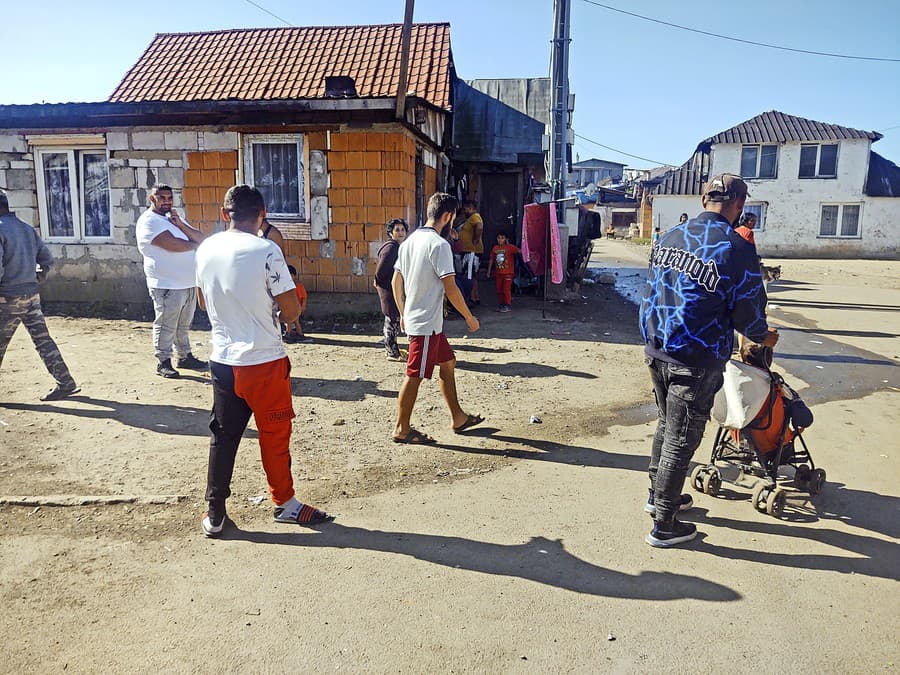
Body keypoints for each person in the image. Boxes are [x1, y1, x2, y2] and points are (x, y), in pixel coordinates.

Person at [640, 173, 779, 548]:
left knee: (667, 425)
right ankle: (664, 524)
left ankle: (658, 496)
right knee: (682, 439)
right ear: (739, 204)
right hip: (696, 357)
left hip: (657, 347)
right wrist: (764, 336)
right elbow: (749, 316)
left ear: (704, 200)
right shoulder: (735, 248)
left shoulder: (670, 235)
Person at [195, 185, 333, 537]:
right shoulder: (266, 250)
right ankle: (285, 503)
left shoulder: (206, 248)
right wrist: (276, 311)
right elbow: (291, 310)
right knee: (274, 436)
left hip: (222, 360)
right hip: (264, 361)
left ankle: (215, 512)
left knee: (223, 437)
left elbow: (201, 303)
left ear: (225, 213)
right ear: (263, 214)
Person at [391, 192, 483, 444]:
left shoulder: (410, 241)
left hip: (422, 321)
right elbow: (451, 287)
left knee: (448, 362)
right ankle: (402, 428)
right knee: (414, 374)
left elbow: (395, 280)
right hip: (426, 325)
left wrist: (402, 313)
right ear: (448, 216)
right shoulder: (439, 245)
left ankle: (458, 417)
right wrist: (469, 317)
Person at [0, 190, 79, 401]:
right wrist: (34, 280)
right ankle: (66, 383)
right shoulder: (26, 228)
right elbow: (47, 260)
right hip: (31, 296)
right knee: (43, 340)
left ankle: (66, 384)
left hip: (7, 298)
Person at [136, 184, 208, 379]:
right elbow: (171, 244)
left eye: (169, 198)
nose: (166, 201)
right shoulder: (149, 221)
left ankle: (184, 356)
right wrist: (195, 245)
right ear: (152, 199)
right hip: (166, 283)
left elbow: (201, 237)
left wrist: (180, 225)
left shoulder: (173, 218)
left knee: (183, 323)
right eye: (162, 198)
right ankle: (163, 361)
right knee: (166, 324)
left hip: (187, 281)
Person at [374, 218, 408, 359]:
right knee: (393, 319)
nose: (400, 233)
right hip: (389, 288)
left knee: (391, 319)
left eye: (402, 230)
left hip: (390, 287)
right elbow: (381, 270)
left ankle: (392, 349)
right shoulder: (391, 248)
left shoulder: (396, 246)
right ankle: (392, 351)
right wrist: (377, 280)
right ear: (391, 232)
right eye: (397, 230)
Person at [457, 200, 484, 305]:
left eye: (466, 209)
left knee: (469, 275)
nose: (465, 211)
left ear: (471, 208)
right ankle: (475, 297)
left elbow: (479, 226)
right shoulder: (471, 218)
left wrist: (476, 238)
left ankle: (470, 299)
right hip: (470, 251)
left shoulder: (475, 217)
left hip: (471, 251)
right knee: (473, 275)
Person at [487, 232, 520, 313]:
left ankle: (507, 305)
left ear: (506, 239)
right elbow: (491, 259)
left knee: (506, 289)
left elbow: (519, 251)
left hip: (508, 273)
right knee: (499, 290)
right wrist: (489, 271)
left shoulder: (510, 247)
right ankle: (502, 305)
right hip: (498, 273)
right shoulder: (495, 248)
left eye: (502, 238)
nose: (500, 240)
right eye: (499, 238)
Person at [283, 265, 312, 344]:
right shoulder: (288, 285)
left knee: (290, 321)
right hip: (290, 307)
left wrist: (303, 306)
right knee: (295, 321)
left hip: (296, 307)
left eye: (290, 276)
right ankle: (299, 334)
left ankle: (288, 334)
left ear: (294, 275)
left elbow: (304, 297)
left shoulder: (298, 285)